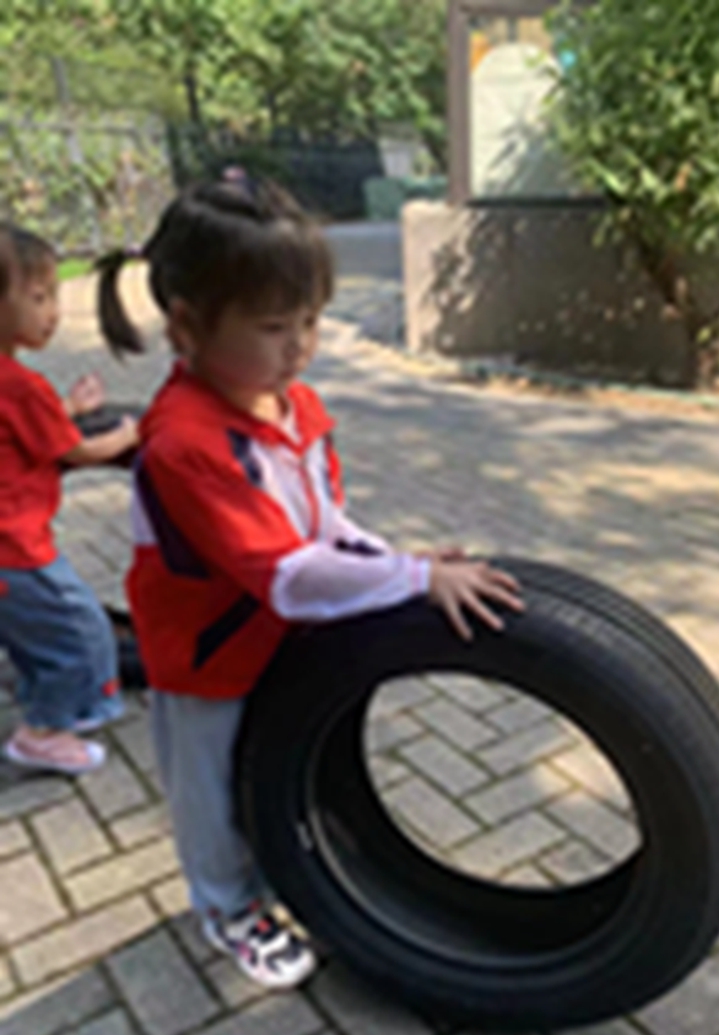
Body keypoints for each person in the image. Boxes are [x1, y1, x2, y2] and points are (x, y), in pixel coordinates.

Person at [96, 175, 524, 990]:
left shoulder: (288, 404)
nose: (298, 346)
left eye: (310, 322)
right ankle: (228, 909)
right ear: (187, 326)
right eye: (272, 327)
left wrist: (400, 564)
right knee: (212, 791)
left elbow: (323, 524)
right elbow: (287, 575)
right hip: (207, 657)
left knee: (278, 766)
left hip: (279, 638)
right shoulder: (187, 443)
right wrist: (409, 578)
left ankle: (288, 877)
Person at [0, 223, 138, 775]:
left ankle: (47, 697)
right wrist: (129, 433)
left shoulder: (16, 385)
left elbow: (31, 432)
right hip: (16, 549)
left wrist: (69, 410)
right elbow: (77, 451)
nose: (54, 313)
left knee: (31, 631)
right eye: (39, 298)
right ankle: (44, 730)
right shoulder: (20, 386)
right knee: (81, 628)